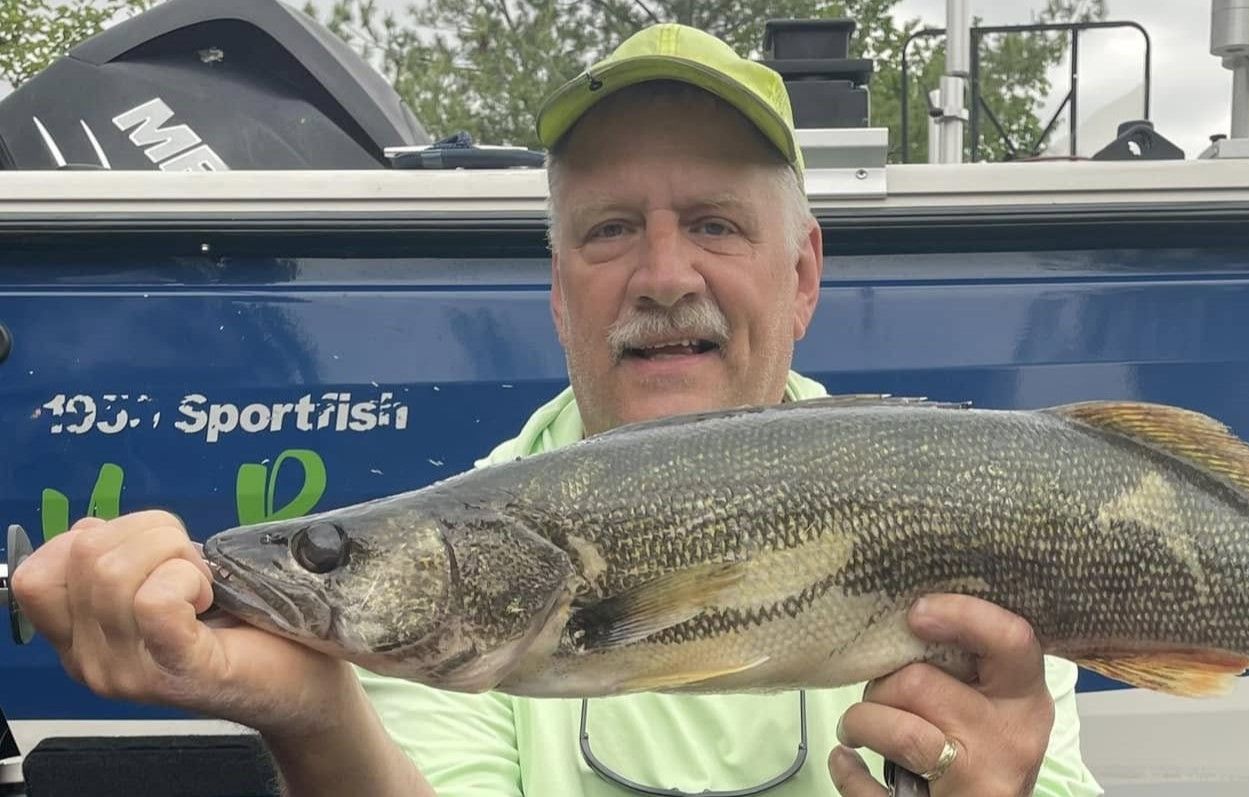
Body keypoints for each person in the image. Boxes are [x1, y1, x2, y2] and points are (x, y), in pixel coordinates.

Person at [11, 22, 1103, 797]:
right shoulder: (478, 543)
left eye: (716, 224)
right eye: (609, 228)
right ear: (557, 289)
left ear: (804, 275)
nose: (663, 273)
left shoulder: (949, 489)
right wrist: (318, 712)